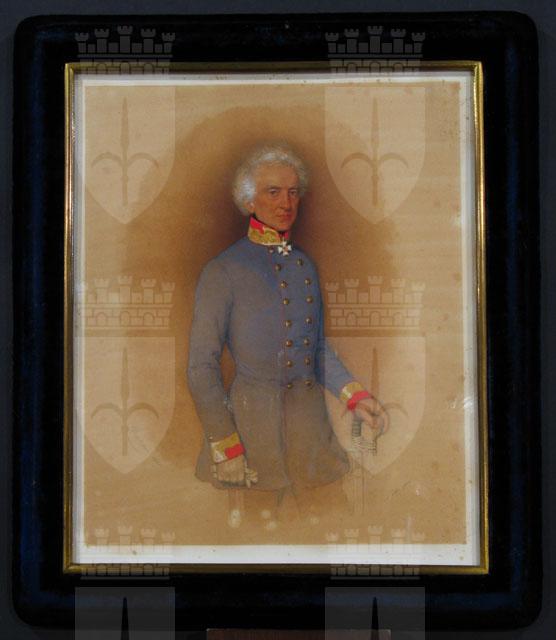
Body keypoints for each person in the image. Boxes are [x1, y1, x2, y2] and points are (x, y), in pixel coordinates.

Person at [187, 142, 387, 528]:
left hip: (311, 434)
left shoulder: (303, 264)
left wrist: (355, 397)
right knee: (254, 540)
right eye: (273, 192)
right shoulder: (223, 271)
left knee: (334, 527)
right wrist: (226, 446)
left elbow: (316, 348)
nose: (286, 203)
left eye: (293, 192)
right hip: (252, 436)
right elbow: (200, 367)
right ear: (249, 200)